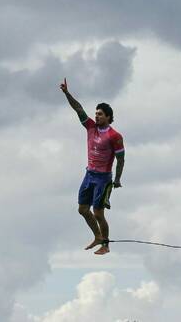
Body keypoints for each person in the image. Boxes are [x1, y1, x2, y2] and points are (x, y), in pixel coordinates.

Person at [60, 78, 125, 255]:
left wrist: (117, 179)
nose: (96, 116)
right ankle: (97, 236)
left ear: (109, 117)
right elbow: (78, 109)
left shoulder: (115, 136)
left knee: (98, 213)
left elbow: (121, 159)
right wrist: (67, 93)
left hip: (103, 179)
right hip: (89, 175)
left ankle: (105, 244)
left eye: (100, 114)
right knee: (82, 209)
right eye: (96, 113)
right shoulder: (90, 127)